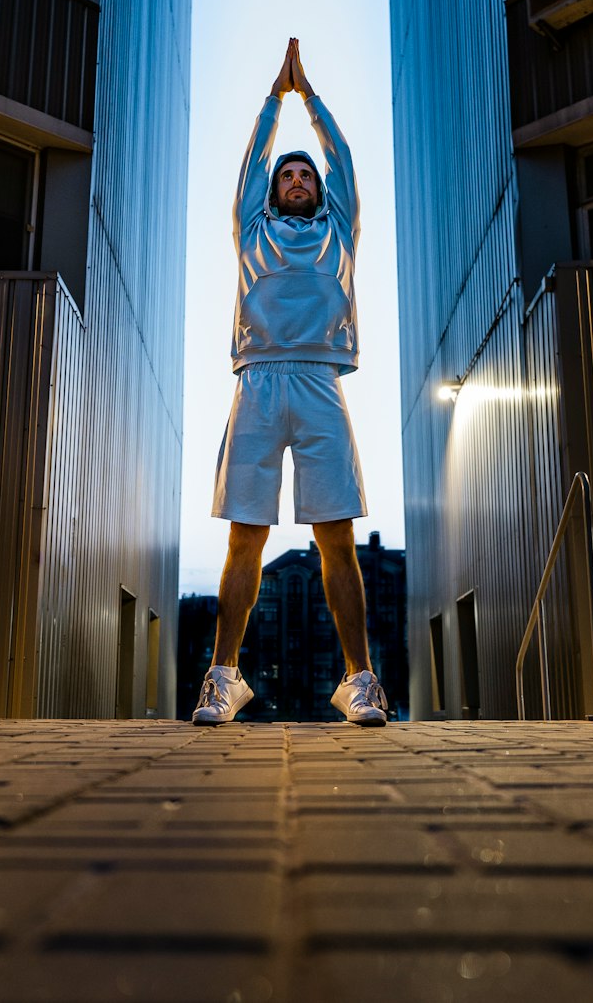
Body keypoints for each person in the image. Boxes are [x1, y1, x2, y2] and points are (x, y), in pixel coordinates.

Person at [193, 38, 388, 727]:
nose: (299, 181)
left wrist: (309, 98)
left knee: (335, 535)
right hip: (258, 384)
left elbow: (343, 160)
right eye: (288, 177)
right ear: (273, 192)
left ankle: (359, 680)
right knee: (245, 536)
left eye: (306, 176)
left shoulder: (339, 232)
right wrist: (274, 101)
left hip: (319, 384)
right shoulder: (253, 230)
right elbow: (251, 162)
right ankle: (223, 677)